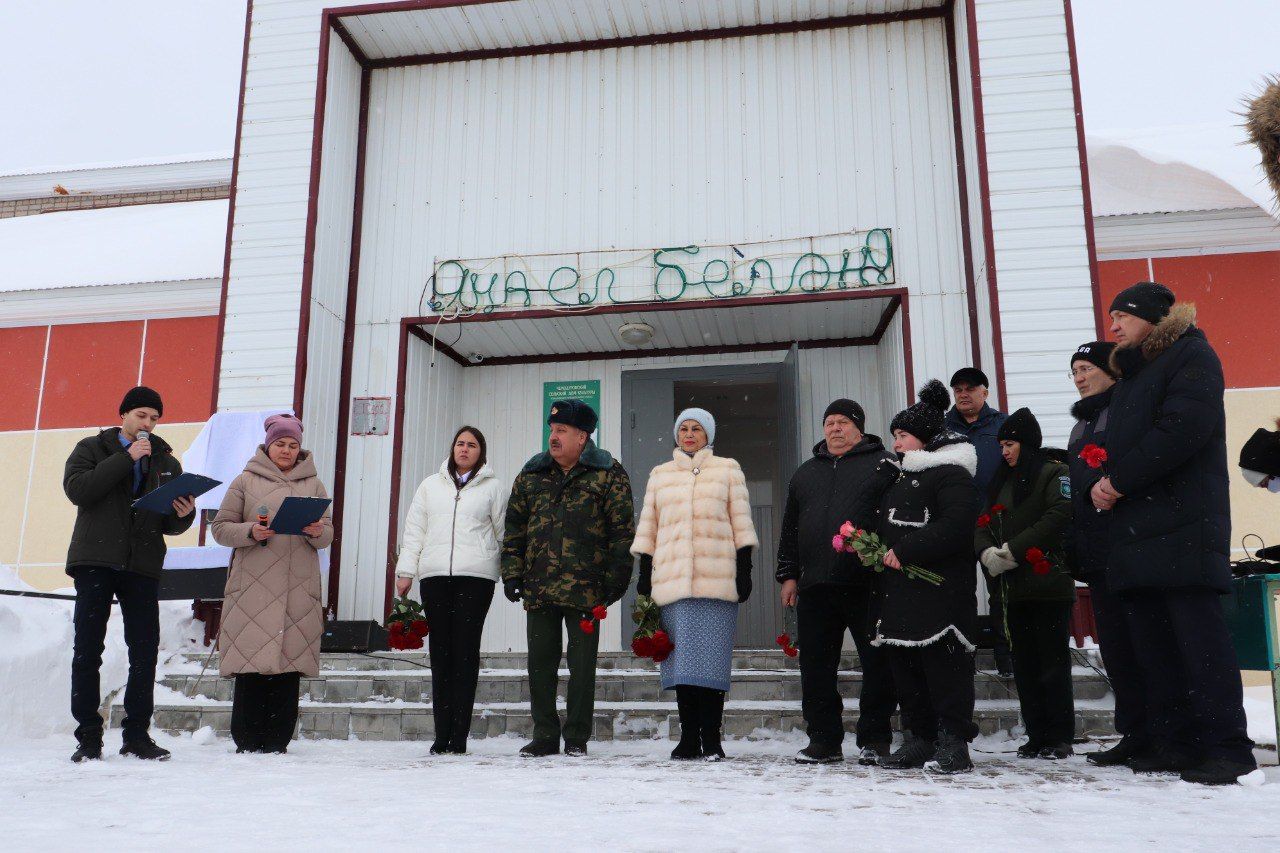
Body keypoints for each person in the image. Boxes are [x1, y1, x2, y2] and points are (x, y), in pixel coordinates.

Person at [1095, 282, 1256, 785]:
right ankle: (1176, 744)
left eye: (1122, 315)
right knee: (1156, 648)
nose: (1113, 326)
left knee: (1200, 646)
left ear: (1150, 317)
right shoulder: (1134, 374)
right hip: (1141, 532)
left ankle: (1228, 749)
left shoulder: (1192, 355)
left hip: (1185, 528)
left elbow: (1181, 430)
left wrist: (1117, 481)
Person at [65, 386, 196, 762]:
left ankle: (136, 735)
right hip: (96, 560)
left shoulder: (166, 461)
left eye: (154, 419)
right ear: (124, 414)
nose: (148, 425)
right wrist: (126, 458)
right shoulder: (92, 448)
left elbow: (169, 524)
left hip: (142, 565)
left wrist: (182, 513)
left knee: (144, 651)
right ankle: (88, 737)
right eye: (142, 415)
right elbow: (79, 491)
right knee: (88, 649)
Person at [501, 399, 634, 758]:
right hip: (540, 586)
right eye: (551, 430)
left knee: (582, 667)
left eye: (561, 431)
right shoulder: (532, 474)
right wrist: (512, 573)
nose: (553, 437)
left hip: (586, 589)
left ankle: (576, 736)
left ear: (582, 436)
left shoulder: (608, 473)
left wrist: (614, 582)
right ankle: (545, 734)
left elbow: (622, 533)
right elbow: (514, 528)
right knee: (540, 665)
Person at [776, 399, 899, 765]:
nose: (835, 428)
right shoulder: (806, 472)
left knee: (877, 663)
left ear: (859, 427)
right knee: (815, 667)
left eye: (844, 422)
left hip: (868, 582)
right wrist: (788, 575)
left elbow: (897, 520)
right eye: (829, 422)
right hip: (815, 587)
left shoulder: (885, 466)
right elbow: (790, 530)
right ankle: (824, 740)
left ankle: (875, 738)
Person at [631, 408, 758, 761]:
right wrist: (644, 573)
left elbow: (741, 523)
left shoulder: (728, 470)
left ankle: (712, 739)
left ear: (708, 435)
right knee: (683, 666)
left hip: (716, 583)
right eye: (684, 428)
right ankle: (688, 737)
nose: (689, 434)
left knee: (712, 665)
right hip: (672, 583)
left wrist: (743, 568)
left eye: (697, 429)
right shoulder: (660, 475)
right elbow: (648, 528)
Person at [874, 380, 981, 774]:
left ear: (924, 438)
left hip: (941, 592)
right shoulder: (898, 478)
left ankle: (954, 742)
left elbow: (956, 525)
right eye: (895, 436)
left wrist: (905, 550)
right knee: (907, 669)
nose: (897, 444)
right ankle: (920, 738)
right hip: (900, 592)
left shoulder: (951, 474)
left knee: (945, 668)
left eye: (902, 436)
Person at [212, 414, 333, 755]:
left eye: (293, 445)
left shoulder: (313, 484)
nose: (286, 450)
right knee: (252, 663)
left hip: (297, 587)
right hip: (253, 586)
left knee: (288, 664)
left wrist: (317, 532)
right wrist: (251, 531)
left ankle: (278, 738)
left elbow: (328, 532)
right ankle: (247, 738)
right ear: (268, 445)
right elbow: (221, 528)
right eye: (280, 444)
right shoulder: (245, 481)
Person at [395, 426, 505, 755]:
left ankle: (459, 736)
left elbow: (503, 533)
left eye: (472, 445)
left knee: (465, 653)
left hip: (476, 578)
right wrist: (405, 570)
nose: (465, 449)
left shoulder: (493, 487)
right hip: (436, 577)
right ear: (452, 448)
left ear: (480, 452)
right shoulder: (430, 486)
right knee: (441, 654)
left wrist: (509, 573)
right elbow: (415, 530)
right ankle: (441, 734)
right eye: (460, 443)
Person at [1066, 341, 1150, 767]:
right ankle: (1134, 733)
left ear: (1110, 371)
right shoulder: (1081, 423)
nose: (1079, 377)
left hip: (1129, 546)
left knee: (1143, 646)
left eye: (1086, 368)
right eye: (1074, 371)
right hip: (1097, 554)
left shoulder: (1124, 412)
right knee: (1117, 649)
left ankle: (1160, 733)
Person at [975, 407, 1075, 760]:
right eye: (1001, 444)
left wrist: (1013, 550)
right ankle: (1036, 734)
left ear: (1028, 443)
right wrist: (986, 552)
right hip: (1012, 589)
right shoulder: (1000, 481)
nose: (1004, 451)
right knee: (1026, 664)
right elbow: (982, 520)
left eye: (1010, 443)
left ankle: (1059, 736)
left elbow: (1059, 514)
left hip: (1048, 585)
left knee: (1052, 663)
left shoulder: (1054, 472)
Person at [945, 367, 1014, 676]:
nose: (963, 394)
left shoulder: (1003, 425)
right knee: (957, 593)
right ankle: (961, 657)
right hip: (954, 525)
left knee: (1000, 592)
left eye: (970, 388)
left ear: (984, 392)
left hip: (995, 523)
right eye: (958, 389)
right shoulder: (942, 429)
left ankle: (1007, 657)